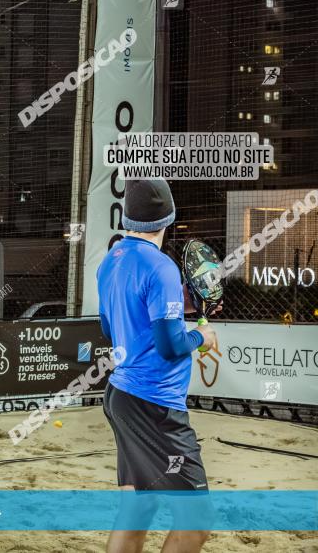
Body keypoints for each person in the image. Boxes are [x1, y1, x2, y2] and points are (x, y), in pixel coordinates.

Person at [97, 179, 218, 553]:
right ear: (169, 218)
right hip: (154, 406)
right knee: (196, 522)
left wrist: (174, 319)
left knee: (138, 508)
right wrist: (202, 338)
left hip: (120, 396)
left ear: (127, 217)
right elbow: (169, 348)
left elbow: (110, 328)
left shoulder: (111, 260)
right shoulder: (162, 267)